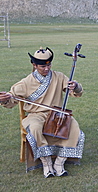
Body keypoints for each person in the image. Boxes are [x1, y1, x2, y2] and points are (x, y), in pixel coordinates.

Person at [0, 47, 84, 178]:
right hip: (36, 115)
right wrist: (5, 99)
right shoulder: (26, 82)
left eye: (49, 65)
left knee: (74, 126)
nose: (46, 69)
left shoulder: (59, 76)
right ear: (34, 65)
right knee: (34, 128)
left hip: (56, 115)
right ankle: (47, 163)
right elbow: (11, 100)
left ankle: (59, 162)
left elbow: (75, 92)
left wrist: (76, 86)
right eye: (42, 66)